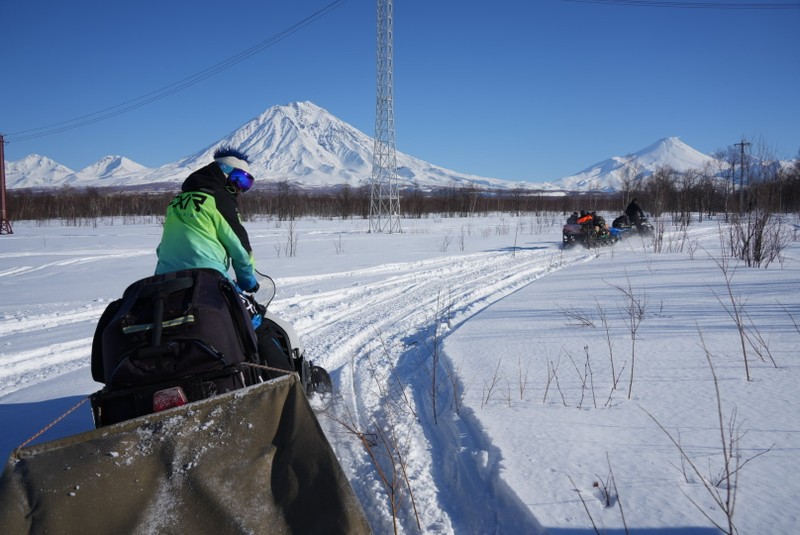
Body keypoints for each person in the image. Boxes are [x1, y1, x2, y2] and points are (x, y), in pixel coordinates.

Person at [155, 146, 259, 293]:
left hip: (164, 277)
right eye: (240, 180)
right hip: (206, 276)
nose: (240, 189)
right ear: (225, 173)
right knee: (247, 312)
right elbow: (240, 249)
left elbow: (165, 243)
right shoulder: (219, 201)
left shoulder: (177, 201)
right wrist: (248, 281)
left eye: (247, 183)